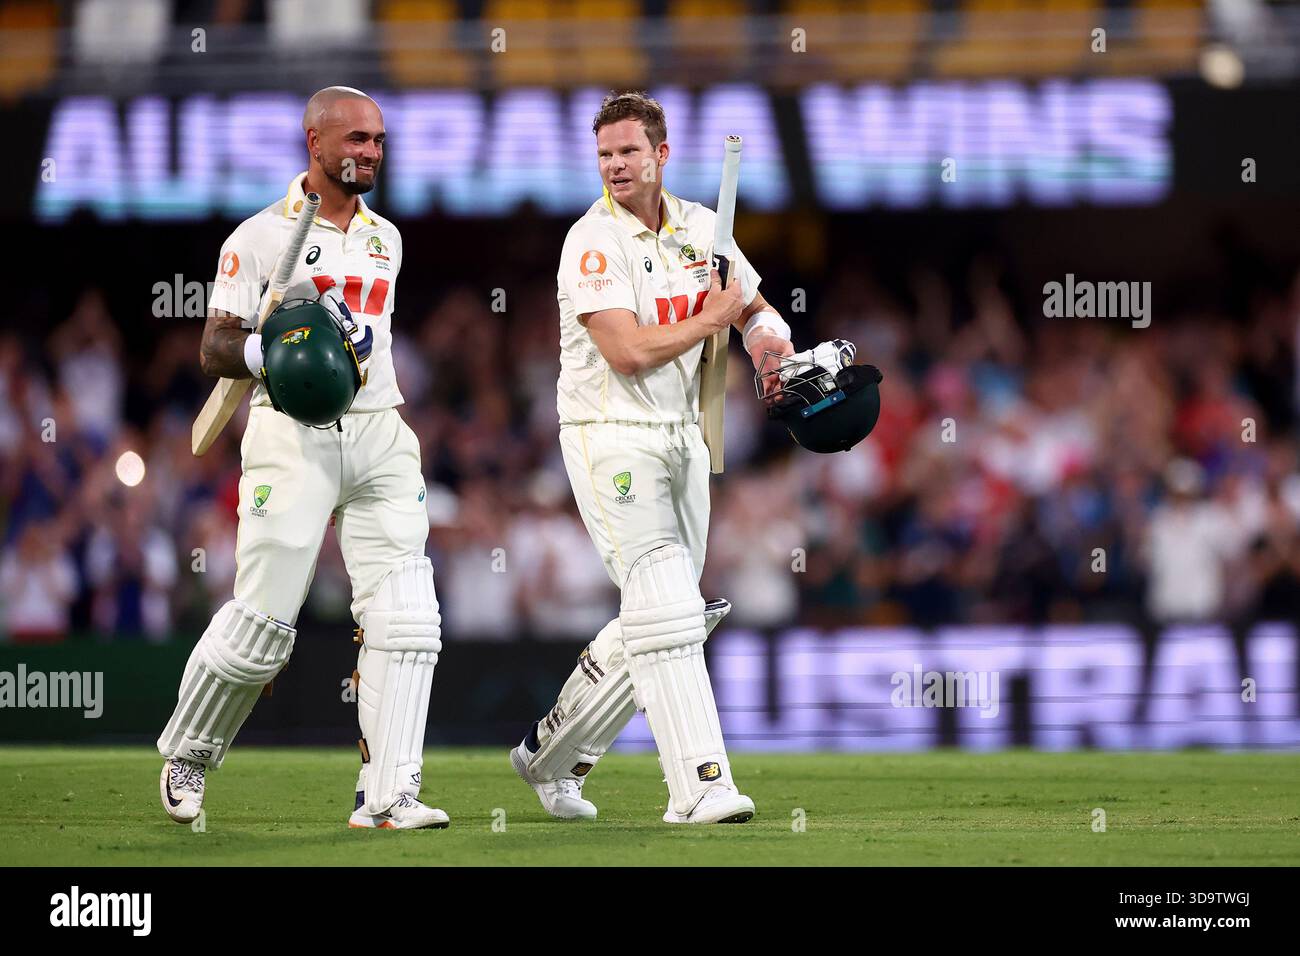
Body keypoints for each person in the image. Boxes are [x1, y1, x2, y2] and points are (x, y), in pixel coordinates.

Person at [157, 87, 447, 830]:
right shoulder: (259, 237)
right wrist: (276, 352)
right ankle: (189, 753)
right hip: (291, 432)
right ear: (313, 143)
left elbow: (372, 336)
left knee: (407, 616)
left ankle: (389, 796)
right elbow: (214, 346)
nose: (370, 153)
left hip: (380, 426)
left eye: (378, 140)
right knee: (263, 626)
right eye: (355, 139)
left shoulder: (388, 237)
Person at [510, 91, 794, 824]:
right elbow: (629, 351)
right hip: (610, 433)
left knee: (662, 613)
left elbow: (754, 307)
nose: (615, 166)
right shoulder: (590, 242)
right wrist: (715, 317)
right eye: (604, 154)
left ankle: (550, 757)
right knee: (669, 606)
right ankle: (699, 787)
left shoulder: (705, 226)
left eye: (628, 152)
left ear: (661, 155)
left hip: (684, 433)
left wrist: (766, 345)